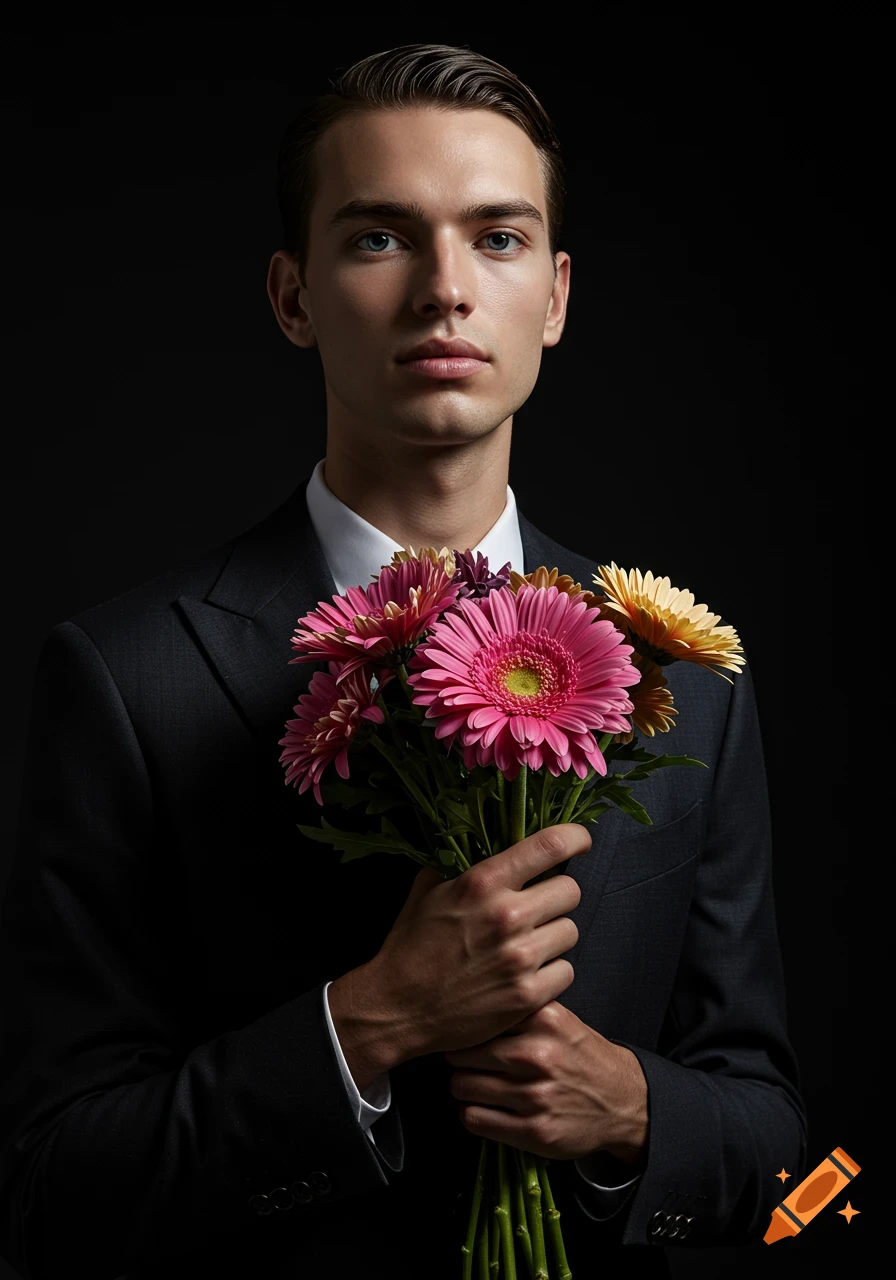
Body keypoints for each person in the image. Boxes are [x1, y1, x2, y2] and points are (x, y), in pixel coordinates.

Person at [0, 43, 807, 1280]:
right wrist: (366, 1023)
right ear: (291, 296)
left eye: (496, 238)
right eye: (380, 238)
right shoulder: (123, 678)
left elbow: (803, 1171)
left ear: (553, 296)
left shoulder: (691, 678)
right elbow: (46, 1188)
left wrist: (632, 1113)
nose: (443, 289)